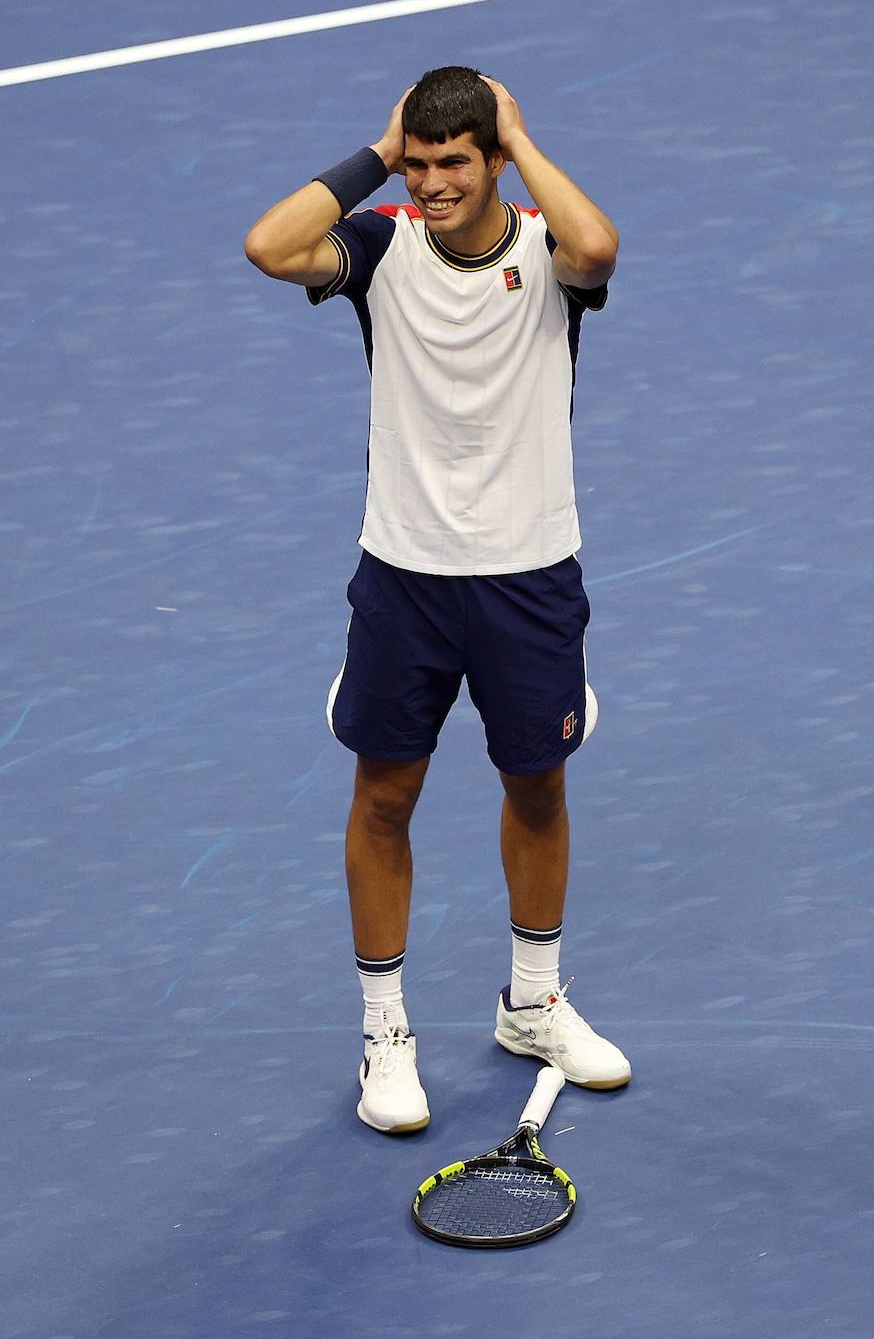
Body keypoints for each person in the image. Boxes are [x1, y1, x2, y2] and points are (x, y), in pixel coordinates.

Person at [245, 66, 630, 1133]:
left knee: (537, 785)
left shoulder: (551, 256)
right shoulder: (379, 245)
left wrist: (518, 131)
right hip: (405, 579)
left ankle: (533, 1001)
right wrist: (377, 154)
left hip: (529, 574)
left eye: (451, 163)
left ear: (495, 160)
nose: (431, 185)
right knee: (383, 798)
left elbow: (597, 245)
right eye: (418, 166)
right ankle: (383, 1031)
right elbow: (269, 247)